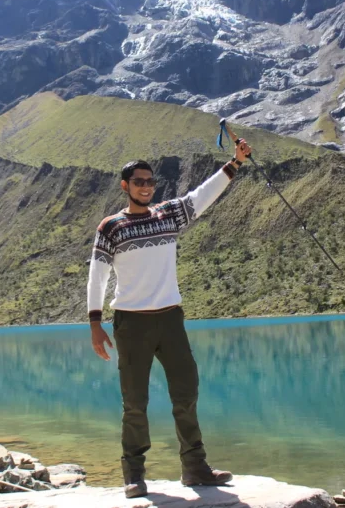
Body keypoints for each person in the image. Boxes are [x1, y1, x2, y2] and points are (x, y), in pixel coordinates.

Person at [87, 137, 252, 498]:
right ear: (125, 186)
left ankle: (195, 469)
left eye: (150, 182)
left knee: (186, 391)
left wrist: (235, 163)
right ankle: (134, 475)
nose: (146, 187)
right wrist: (95, 324)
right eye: (139, 182)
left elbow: (202, 195)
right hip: (131, 324)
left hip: (171, 319)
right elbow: (97, 276)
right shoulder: (111, 227)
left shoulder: (169, 215)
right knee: (135, 402)